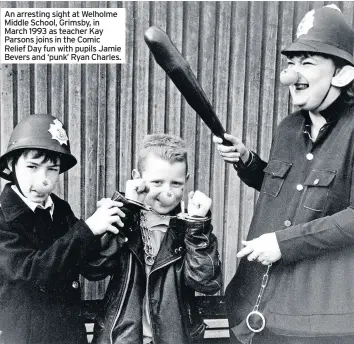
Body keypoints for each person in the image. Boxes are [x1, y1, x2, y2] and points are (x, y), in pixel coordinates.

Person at [213, 4, 354, 344]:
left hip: (318, 327)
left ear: (343, 74)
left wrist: (283, 244)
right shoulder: (288, 128)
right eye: (291, 63)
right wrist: (248, 161)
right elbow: (287, 190)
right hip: (250, 309)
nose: (292, 74)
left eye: (307, 62)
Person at [0, 114, 125, 344]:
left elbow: (92, 268)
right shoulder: (3, 219)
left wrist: (113, 223)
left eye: (52, 169)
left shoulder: (60, 209)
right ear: (11, 165)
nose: (43, 179)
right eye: (32, 167)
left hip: (69, 335)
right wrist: (88, 229)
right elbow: (32, 271)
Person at [89, 134, 222, 344]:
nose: (167, 192)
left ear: (186, 180)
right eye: (157, 182)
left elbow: (206, 282)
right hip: (122, 339)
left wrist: (198, 228)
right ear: (137, 177)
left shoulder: (189, 227)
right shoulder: (124, 218)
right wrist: (125, 209)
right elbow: (95, 268)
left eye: (176, 183)